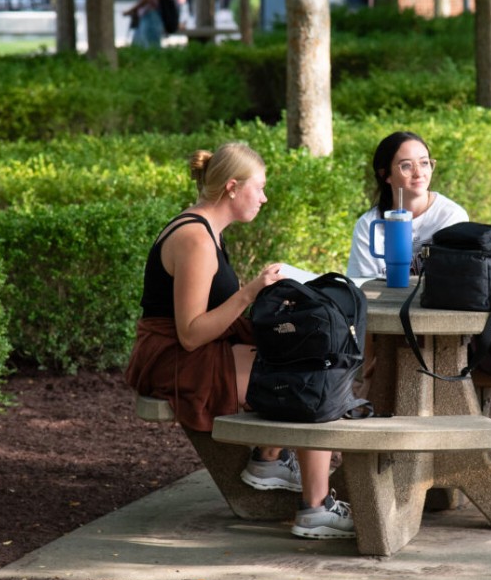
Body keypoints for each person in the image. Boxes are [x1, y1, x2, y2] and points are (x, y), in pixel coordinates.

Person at [124, 142, 355, 540]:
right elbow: (191, 334)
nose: (264, 197)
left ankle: (270, 457)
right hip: (177, 361)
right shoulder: (195, 239)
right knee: (312, 378)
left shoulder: (208, 229)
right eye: (259, 187)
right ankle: (314, 508)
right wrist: (250, 292)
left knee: (310, 356)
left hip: (194, 352)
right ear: (232, 187)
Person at [346, 131, 468, 280]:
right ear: (386, 175)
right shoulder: (369, 225)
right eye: (406, 166)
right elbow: (363, 286)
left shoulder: (451, 217)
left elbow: (454, 281)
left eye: (424, 163)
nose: (418, 173)